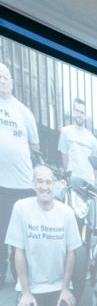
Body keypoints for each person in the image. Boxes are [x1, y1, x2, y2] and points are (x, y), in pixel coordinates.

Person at [5, 166, 81, 306]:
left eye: (48, 182)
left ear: (54, 186)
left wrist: (65, 288)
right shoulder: (21, 208)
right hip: (32, 287)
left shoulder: (67, 213)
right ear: (33, 184)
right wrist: (25, 292)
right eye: (40, 181)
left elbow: (71, 253)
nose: (44, 187)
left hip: (58, 287)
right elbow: (19, 251)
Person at [0, 62, 40, 288]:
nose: (2, 81)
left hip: (22, 184)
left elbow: (35, 148)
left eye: (5, 77)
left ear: (12, 82)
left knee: (21, 236)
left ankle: (20, 277)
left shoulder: (24, 112)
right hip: (0, 185)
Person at [57, 98, 97, 187]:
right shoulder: (65, 132)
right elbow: (64, 157)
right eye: (77, 111)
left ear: (85, 115)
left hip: (88, 183)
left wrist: (90, 180)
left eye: (82, 112)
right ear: (73, 112)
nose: (79, 114)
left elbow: (95, 167)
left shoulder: (92, 139)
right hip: (72, 180)